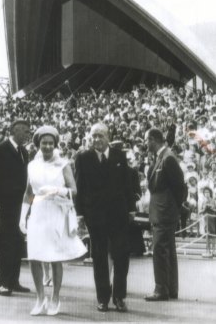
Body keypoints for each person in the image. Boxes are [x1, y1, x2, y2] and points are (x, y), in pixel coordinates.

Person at [21, 125, 86, 316]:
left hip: (57, 212)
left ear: (55, 144)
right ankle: (40, 299)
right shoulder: (32, 165)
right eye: (44, 143)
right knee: (34, 256)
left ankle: (55, 298)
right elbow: (28, 194)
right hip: (38, 212)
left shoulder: (63, 164)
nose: (47, 146)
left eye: (50, 143)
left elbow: (74, 189)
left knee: (55, 257)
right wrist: (22, 217)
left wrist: (58, 190)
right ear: (38, 145)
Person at [75, 122, 135, 313]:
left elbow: (128, 185)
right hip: (95, 216)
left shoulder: (119, 156)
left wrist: (131, 209)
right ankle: (103, 298)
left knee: (121, 256)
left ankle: (119, 297)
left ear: (108, 137)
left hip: (118, 215)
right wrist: (80, 214)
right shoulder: (83, 158)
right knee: (99, 258)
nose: (97, 139)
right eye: (93, 136)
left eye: (100, 135)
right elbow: (79, 187)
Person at [0, 119, 30, 296]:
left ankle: (14, 281)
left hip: (20, 206)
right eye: (26, 131)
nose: (28, 134)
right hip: (5, 205)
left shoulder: (24, 152)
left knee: (18, 244)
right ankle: (3, 283)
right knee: (5, 245)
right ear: (16, 131)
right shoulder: (0, 149)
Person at [145, 128, 185, 301]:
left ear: (153, 140)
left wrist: (173, 208)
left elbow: (180, 188)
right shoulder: (161, 157)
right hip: (162, 211)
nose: (145, 144)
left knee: (160, 250)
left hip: (165, 212)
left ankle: (161, 289)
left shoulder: (168, 158)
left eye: (147, 140)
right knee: (167, 250)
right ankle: (170, 289)